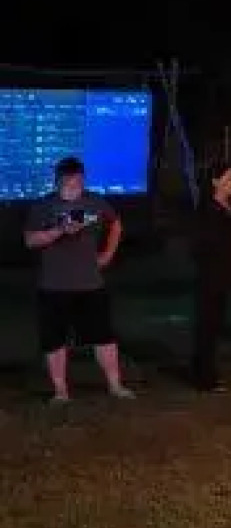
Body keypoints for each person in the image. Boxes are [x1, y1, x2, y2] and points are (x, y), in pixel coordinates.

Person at [23, 156, 135, 403]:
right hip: (54, 286)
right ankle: (61, 391)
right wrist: (59, 231)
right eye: (70, 180)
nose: (75, 184)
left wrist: (107, 254)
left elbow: (116, 224)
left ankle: (115, 385)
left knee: (103, 336)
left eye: (79, 179)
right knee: (55, 341)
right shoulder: (44, 206)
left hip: (91, 284)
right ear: (59, 180)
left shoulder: (95, 202)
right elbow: (30, 240)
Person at [191, 161, 231, 392]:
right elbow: (202, 245)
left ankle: (207, 370)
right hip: (211, 276)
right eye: (229, 178)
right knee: (207, 325)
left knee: (215, 325)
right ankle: (204, 375)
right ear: (215, 181)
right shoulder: (207, 210)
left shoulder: (229, 206)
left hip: (225, 274)